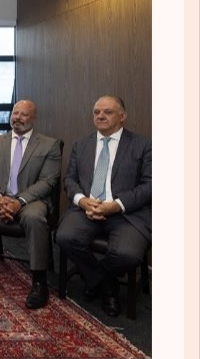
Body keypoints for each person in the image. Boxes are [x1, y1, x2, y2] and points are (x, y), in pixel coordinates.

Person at [55, 96, 151, 317]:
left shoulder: (143, 145)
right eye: (96, 112)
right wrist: (82, 200)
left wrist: (116, 205)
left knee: (127, 254)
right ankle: (107, 285)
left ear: (122, 116)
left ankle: (98, 280)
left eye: (107, 112)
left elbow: (150, 185)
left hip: (126, 214)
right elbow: (69, 179)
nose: (100, 116)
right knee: (65, 237)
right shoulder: (81, 144)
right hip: (86, 209)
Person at [0, 100, 61, 309]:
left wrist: (19, 202)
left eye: (24, 114)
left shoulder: (49, 145)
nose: (18, 118)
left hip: (31, 200)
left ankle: (39, 281)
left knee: (34, 218)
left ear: (34, 118)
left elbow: (48, 181)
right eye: (15, 113)